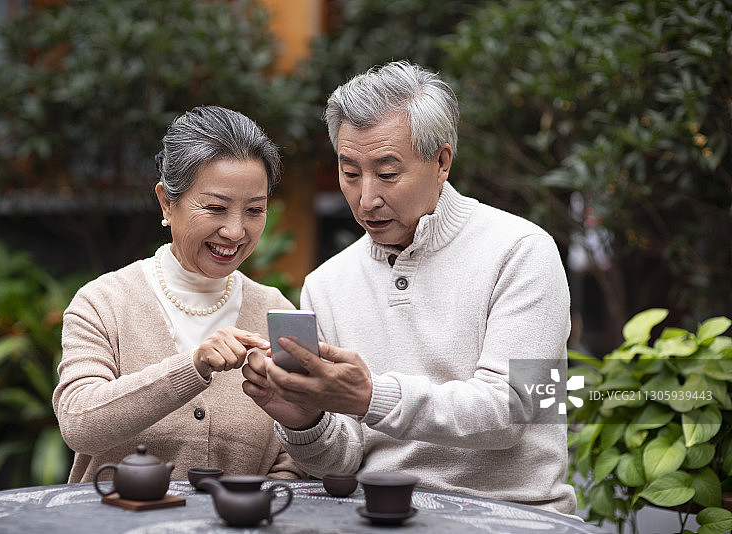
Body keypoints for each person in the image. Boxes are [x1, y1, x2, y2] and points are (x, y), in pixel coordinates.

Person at [242, 61, 577, 515]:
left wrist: (370, 396)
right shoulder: (327, 283)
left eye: (387, 173)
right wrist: (306, 420)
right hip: (375, 514)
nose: (366, 199)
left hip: (515, 514)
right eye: (350, 173)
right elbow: (339, 464)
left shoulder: (527, 251)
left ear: (442, 162)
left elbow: (517, 413)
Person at [53, 105, 303, 483]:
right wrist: (193, 365)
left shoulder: (277, 312)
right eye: (216, 208)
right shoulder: (103, 302)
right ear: (167, 203)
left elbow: (297, 454)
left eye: (255, 210)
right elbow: (78, 422)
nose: (235, 232)